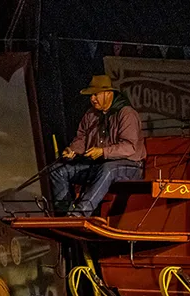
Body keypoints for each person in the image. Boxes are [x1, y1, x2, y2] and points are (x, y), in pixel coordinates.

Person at [50, 74, 146, 217]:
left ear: (108, 93)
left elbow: (129, 147)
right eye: (91, 95)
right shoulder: (91, 114)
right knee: (58, 169)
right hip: (99, 166)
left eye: (96, 95)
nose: (92, 99)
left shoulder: (126, 114)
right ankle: (64, 213)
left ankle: (81, 214)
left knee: (107, 168)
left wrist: (102, 152)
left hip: (130, 167)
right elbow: (81, 138)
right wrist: (72, 150)